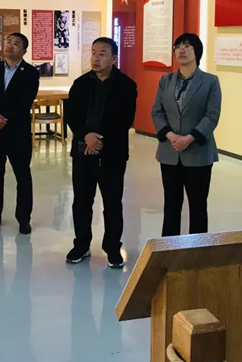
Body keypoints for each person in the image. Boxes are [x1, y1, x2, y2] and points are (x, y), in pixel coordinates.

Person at [65, 37, 137, 268]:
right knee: (82, 202)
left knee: (112, 203)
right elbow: (72, 115)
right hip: (83, 152)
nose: (96, 58)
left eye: (102, 54)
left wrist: (99, 140)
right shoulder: (80, 84)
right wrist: (86, 135)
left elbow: (125, 120)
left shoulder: (126, 85)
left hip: (112, 153)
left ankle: (113, 248)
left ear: (113, 58)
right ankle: (81, 244)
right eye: (93, 53)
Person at [151, 33, 221, 236]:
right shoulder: (165, 80)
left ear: (197, 51)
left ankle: (197, 249)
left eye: (187, 46)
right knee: (171, 205)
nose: (181, 50)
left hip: (198, 153)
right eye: (178, 46)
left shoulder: (210, 81)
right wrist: (171, 136)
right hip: (169, 152)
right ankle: (169, 248)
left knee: (198, 206)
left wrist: (189, 138)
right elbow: (156, 111)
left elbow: (212, 116)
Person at [0, 33, 40, 234]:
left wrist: (4, 118)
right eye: (8, 42)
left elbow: (25, 101)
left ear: (24, 51)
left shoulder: (31, 73)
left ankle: (24, 219)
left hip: (17, 132)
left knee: (22, 175)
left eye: (16, 44)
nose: (10, 46)